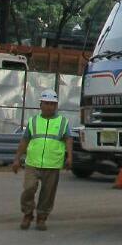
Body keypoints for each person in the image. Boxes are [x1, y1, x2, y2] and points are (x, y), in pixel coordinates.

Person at [14, 89, 72, 230]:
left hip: (52, 165)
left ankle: (41, 217)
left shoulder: (63, 122)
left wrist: (70, 156)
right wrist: (17, 159)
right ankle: (27, 214)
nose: (49, 106)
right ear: (41, 105)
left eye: (52, 104)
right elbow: (24, 140)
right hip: (32, 163)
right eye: (46, 103)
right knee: (29, 188)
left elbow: (68, 139)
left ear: (56, 106)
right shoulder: (33, 121)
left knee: (48, 194)